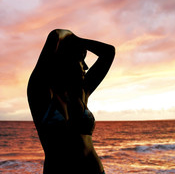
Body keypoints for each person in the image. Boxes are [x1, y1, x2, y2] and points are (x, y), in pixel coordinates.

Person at [27, 29, 115, 174]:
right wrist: (70, 37)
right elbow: (54, 36)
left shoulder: (82, 93)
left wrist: (78, 41)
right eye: (81, 59)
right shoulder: (40, 93)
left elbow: (109, 52)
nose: (86, 67)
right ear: (65, 60)